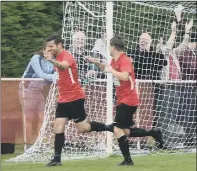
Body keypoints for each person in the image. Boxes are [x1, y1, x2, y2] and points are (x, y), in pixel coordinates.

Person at [85, 36, 163, 166]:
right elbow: (106, 68)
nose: (108, 49)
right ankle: (153, 132)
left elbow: (125, 76)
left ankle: (128, 159)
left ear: (114, 47)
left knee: (117, 129)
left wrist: (112, 71)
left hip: (128, 100)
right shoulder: (115, 60)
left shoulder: (124, 60)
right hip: (123, 100)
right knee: (124, 131)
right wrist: (94, 61)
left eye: (109, 46)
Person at [43, 35, 108, 167]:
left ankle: (110, 127)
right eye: (47, 47)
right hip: (63, 99)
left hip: (75, 98)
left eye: (51, 46)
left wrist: (51, 60)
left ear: (59, 45)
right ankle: (57, 159)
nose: (49, 49)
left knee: (83, 128)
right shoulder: (57, 56)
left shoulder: (67, 55)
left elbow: (63, 66)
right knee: (58, 125)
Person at [19, 46, 55, 151]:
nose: (49, 53)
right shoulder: (36, 58)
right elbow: (41, 74)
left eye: (51, 51)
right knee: (29, 118)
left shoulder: (53, 61)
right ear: (43, 51)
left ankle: (38, 144)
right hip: (27, 90)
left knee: (42, 118)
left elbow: (53, 76)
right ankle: (28, 145)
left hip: (38, 91)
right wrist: (57, 77)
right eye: (47, 51)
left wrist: (57, 76)